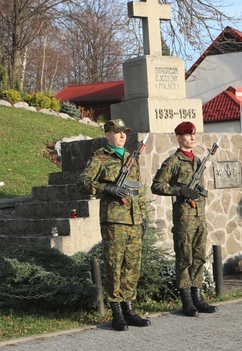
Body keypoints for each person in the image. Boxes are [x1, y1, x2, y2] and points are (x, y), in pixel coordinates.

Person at [77, 119, 150, 331]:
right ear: (107, 135)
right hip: (114, 221)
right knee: (114, 265)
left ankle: (129, 308)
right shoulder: (100, 157)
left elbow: (139, 191)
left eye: (124, 133)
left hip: (134, 220)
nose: (121, 136)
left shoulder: (130, 158)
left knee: (132, 267)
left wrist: (142, 217)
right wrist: (107, 188)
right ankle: (116, 311)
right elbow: (82, 183)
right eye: (117, 133)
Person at [151, 121, 218, 317]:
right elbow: (156, 186)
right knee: (184, 258)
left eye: (193, 134)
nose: (192, 138)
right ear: (178, 137)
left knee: (199, 257)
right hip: (184, 218)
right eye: (188, 134)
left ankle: (198, 297)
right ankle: (186, 300)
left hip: (199, 217)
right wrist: (179, 190)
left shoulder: (197, 161)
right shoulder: (173, 161)